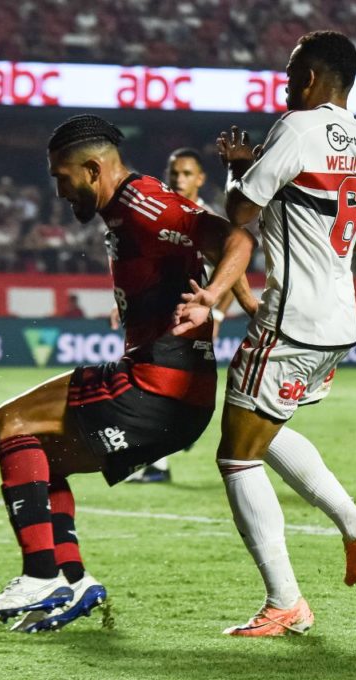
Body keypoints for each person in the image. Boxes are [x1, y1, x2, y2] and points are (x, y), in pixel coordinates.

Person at [0, 114, 255, 633]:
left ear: (94, 169)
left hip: (155, 385)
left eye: (62, 176)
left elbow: (235, 239)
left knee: (8, 423)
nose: (58, 190)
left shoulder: (146, 206)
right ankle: (74, 580)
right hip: (176, 398)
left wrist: (212, 299)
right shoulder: (127, 207)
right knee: (40, 454)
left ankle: (40, 575)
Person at [181, 31, 356, 636]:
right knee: (266, 429)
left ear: (308, 79)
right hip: (338, 320)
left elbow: (239, 213)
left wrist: (239, 175)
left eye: (289, 72)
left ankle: (286, 603)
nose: (283, 83)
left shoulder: (295, 127)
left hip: (291, 318)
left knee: (236, 456)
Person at [121, 147, 237, 484]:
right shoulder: (159, 213)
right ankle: (164, 451)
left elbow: (231, 274)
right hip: (156, 313)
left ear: (200, 179)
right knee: (158, 385)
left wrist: (216, 316)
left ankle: (157, 463)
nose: (179, 179)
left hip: (188, 318)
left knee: (160, 385)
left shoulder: (204, 219)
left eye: (187, 173)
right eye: (174, 173)